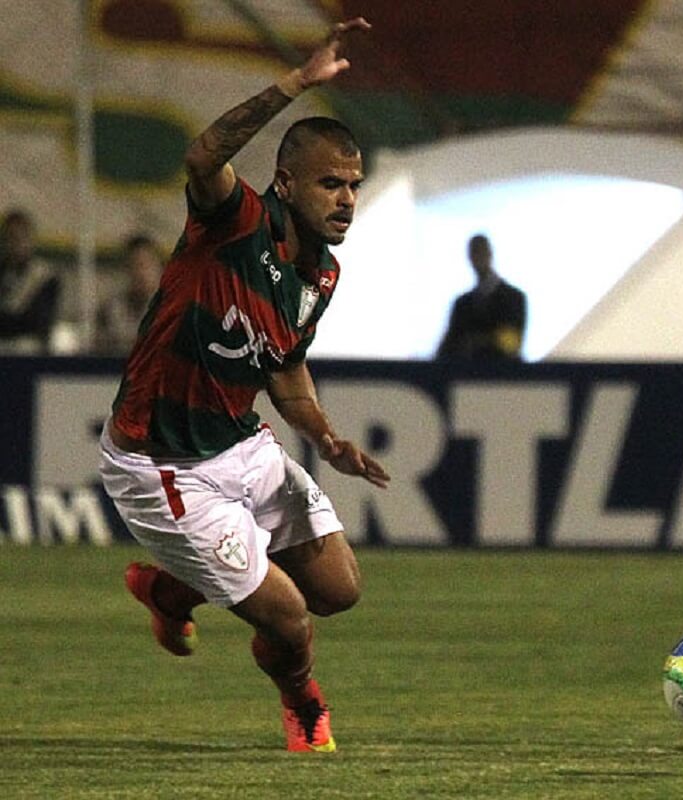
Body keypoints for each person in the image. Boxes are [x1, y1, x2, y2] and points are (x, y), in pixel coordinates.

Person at [97, 17, 390, 754]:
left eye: (354, 185)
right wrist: (295, 82)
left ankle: (169, 589)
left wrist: (326, 436)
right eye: (330, 183)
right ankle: (303, 702)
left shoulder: (321, 273)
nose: (347, 199)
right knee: (291, 618)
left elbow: (285, 367)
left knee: (339, 592)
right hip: (163, 465)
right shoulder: (233, 223)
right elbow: (203, 154)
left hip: (237, 444)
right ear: (286, 182)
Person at [435, 233, 527, 360]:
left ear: (489, 254)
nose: (477, 257)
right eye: (474, 253)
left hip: (502, 376)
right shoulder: (462, 304)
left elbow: (511, 344)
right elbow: (448, 347)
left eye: (480, 251)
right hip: (468, 376)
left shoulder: (514, 299)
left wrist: (477, 342)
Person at [0, 208, 61, 354]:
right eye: (11, 238)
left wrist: (9, 320)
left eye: (22, 237)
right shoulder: (3, 272)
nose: (17, 244)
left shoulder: (45, 276)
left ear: (31, 238)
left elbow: (39, 322)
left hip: (29, 347)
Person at [94, 233, 165, 356]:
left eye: (146, 265)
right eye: (135, 265)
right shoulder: (109, 311)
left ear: (159, 267)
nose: (140, 272)